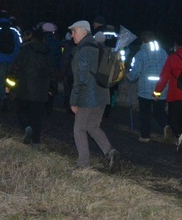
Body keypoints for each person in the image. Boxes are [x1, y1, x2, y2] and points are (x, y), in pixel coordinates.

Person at [68, 20, 120, 172]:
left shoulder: (82, 52)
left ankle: (83, 163)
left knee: (79, 129)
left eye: (74, 31)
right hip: (103, 95)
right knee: (93, 126)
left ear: (84, 32)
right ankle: (110, 152)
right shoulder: (99, 48)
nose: (72, 35)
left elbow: (80, 79)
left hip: (87, 97)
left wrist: (74, 100)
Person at [10, 28, 53, 147]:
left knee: (21, 111)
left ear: (32, 37)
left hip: (24, 86)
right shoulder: (48, 52)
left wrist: (10, 83)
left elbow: (16, 67)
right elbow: (52, 70)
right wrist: (50, 88)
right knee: (37, 116)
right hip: (41, 89)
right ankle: (36, 141)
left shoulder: (25, 49)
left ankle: (27, 127)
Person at [127, 31, 170, 143]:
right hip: (161, 88)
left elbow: (135, 72)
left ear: (143, 41)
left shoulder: (141, 54)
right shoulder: (163, 52)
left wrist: (129, 76)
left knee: (144, 113)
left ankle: (145, 136)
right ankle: (165, 126)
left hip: (145, 89)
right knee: (159, 111)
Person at [0, 12, 22, 111]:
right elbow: (20, 44)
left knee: (0, 80)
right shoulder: (14, 30)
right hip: (13, 59)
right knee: (11, 78)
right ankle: (11, 94)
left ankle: (3, 97)